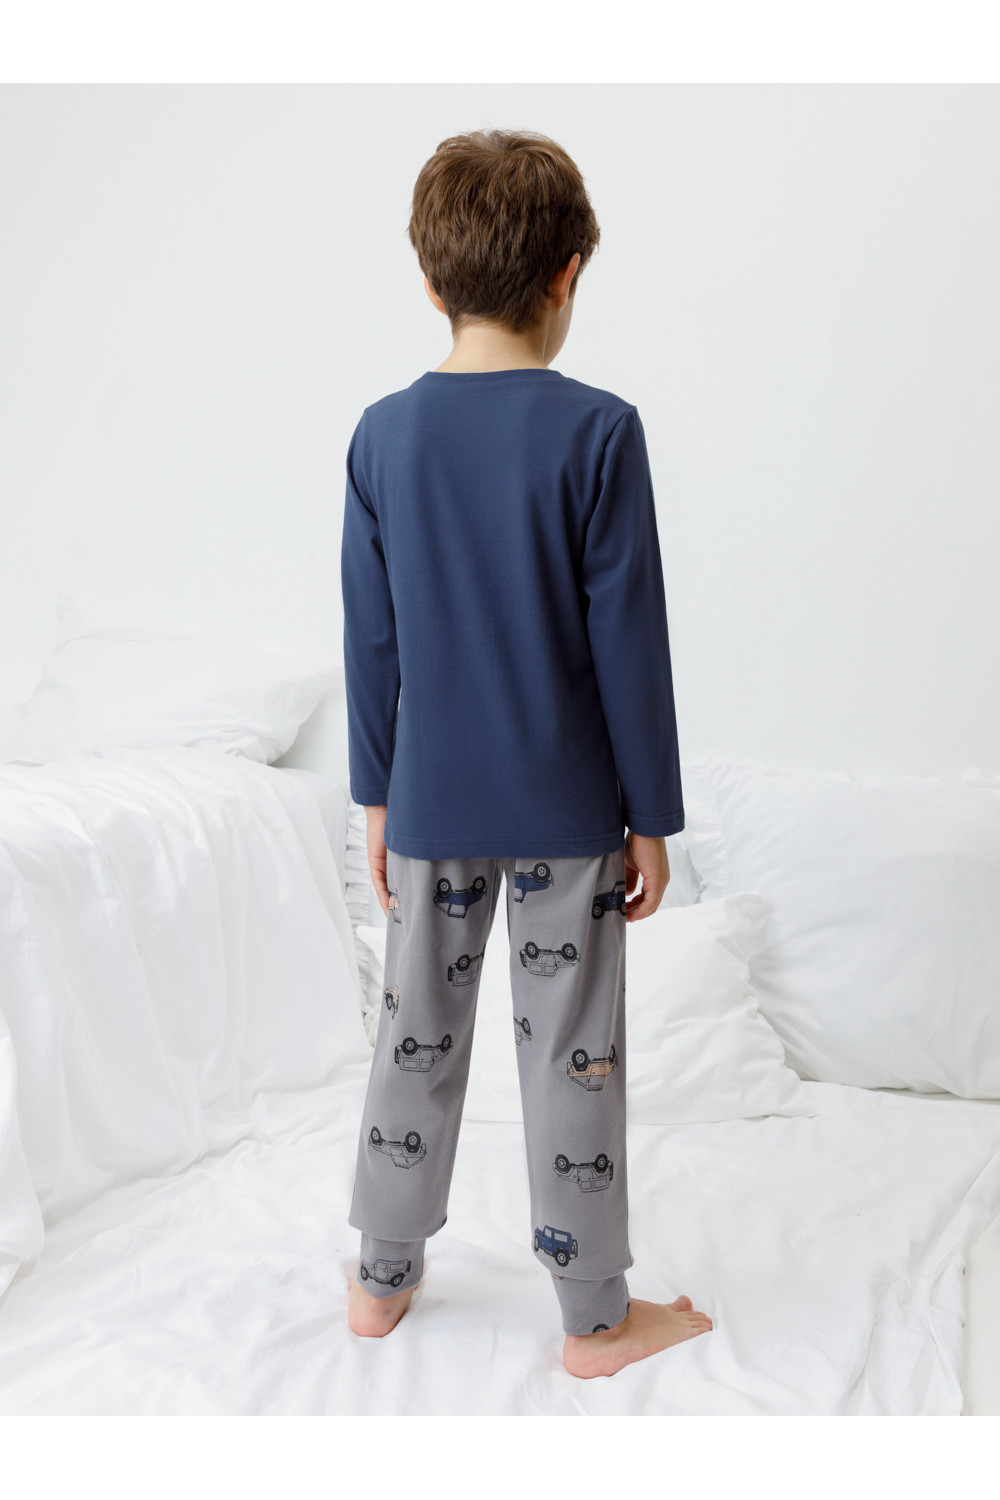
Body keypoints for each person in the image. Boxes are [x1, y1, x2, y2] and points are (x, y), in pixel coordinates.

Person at [340, 128, 712, 1379]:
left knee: (413, 1037)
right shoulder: (600, 431)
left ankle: (379, 1282)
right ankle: (594, 1320)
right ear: (566, 274)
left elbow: (372, 640)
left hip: (432, 803)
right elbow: (630, 642)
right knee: (572, 1052)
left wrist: (379, 800)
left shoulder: (382, 436)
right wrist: (650, 814)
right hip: (567, 808)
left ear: (429, 281)